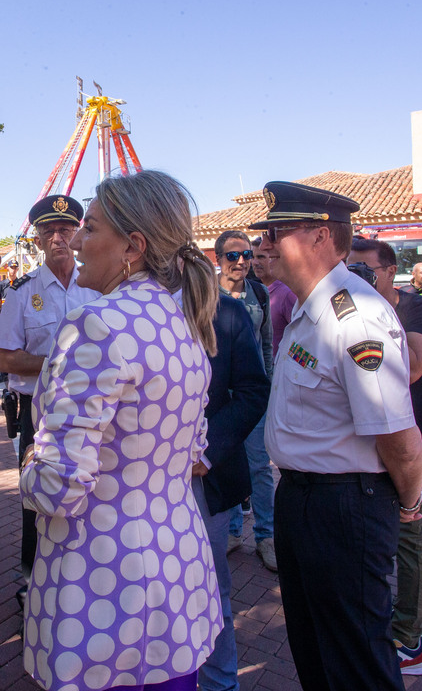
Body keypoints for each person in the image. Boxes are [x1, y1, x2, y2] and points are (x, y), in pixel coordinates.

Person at [19, 170, 223, 691]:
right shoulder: (185, 324)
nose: (78, 242)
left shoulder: (98, 323)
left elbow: (60, 486)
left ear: (133, 245)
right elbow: (195, 453)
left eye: (90, 229)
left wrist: (28, 471)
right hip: (177, 562)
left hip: (103, 578)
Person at [254, 181, 422, 691]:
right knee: (314, 647)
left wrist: (410, 500)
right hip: (304, 498)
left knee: (355, 657)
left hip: (345, 503)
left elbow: (397, 436)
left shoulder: (357, 317)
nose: (265, 244)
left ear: (320, 237)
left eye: (278, 232)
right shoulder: (310, 308)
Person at [348, 238, 422, 676]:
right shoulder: (357, 309)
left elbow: (409, 369)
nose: (355, 278)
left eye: (364, 270)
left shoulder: (420, 309)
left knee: (412, 533)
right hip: (395, 436)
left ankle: (408, 641)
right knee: (419, 532)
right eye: (348, 269)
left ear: (391, 272)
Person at [0, 195, 100, 598]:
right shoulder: (22, 293)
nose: (58, 237)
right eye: (48, 231)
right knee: (37, 501)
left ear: (77, 234)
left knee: (89, 496)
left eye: (65, 229)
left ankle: (83, 586)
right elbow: (4, 357)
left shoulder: (98, 286)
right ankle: (32, 586)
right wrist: (59, 362)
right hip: (39, 416)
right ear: (37, 240)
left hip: (93, 411)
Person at [194, 295, 271, 691]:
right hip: (132, 486)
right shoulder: (112, 305)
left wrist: (205, 454)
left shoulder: (224, 311)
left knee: (209, 590)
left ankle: (220, 684)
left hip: (202, 482)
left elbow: (253, 391)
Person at [214, 230, 276, 571]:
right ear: (219, 259)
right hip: (221, 395)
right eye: (232, 256)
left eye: (246, 256)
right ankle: (235, 531)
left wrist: (267, 385)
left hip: (252, 395)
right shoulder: (207, 296)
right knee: (225, 460)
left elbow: (266, 344)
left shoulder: (260, 294)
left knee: (259, 466)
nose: (240, 262)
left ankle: (266, 536)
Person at [253, 235, 297, 355]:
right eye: (253, 257)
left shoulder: (287, 294)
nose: (255, 262)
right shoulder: (257, 292)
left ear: (272, 258)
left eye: (261, 257)